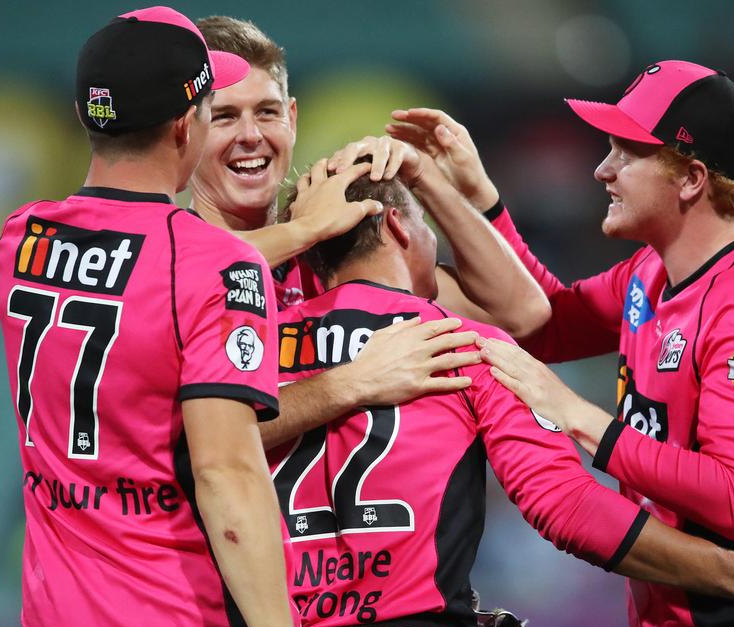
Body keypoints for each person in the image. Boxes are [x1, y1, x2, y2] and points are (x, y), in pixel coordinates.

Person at [270, 152, 734, 627]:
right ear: (398, 228)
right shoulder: (461, 347)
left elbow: (547, 314)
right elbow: (568, 508)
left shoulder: (245, 351)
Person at [393, 61, 734, 627]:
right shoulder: (653, 272)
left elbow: (732, 498)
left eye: (627, 152)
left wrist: (580, 417)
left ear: (691, 178)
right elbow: (546, 322)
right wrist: (481, 198)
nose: (603, 170)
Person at [0, 7, 309, 627]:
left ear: (83, 117)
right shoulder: (215, 268)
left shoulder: (21, 240)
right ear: (186, 126)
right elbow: (225, 473)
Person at [188, 15, 550, 451]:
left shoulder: (330, 251)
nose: (251, 136)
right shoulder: (164, 265)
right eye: (224, 117)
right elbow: (195, 441)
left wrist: (425, 177)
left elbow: (523, 313)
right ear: (187, 130)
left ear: (293, 118)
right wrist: (351, 383)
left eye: (267, 112)